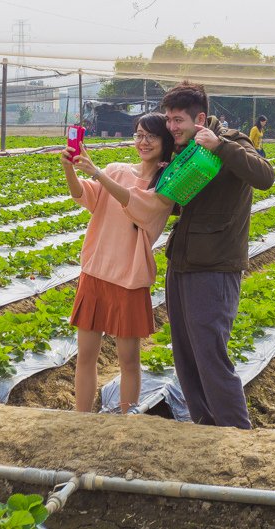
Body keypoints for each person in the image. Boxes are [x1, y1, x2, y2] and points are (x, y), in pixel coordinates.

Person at [162, 81, 275, 429]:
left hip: (214, 266)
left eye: (177, 119)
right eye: (168, 119)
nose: (171, 127)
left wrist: (221, 145)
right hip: (181, 261)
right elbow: (184, 204)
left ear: (200, 118)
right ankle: (203, 425)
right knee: (185, 353)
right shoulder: (184, 149)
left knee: (210, 354)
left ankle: (236, 431)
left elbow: (265, 177)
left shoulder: (233, 141)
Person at [61, 113, 176, 413]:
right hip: (96, 272)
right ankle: (80, 418)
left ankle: (128, 420)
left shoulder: (164, 187)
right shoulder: (116, 169)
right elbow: (83, 196)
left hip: (129, 278)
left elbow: (134, 204)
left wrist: (98, 173)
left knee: (128, 360)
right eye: (139, 135)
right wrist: (70, 170)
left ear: (165, 142)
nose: (143, 141)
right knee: (85, 355)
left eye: (151, 136)